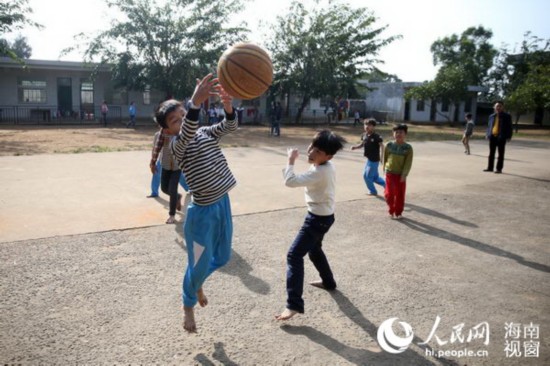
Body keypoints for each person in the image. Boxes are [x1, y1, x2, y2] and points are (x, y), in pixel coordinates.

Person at [166, 74, 238, 333]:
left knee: (222, 257)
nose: (182, 121)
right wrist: (195, 102)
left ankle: (196, 282)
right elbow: (185, 133)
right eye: (175, 120)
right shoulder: (177, 145)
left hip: (222, 205)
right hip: (201, 217)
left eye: (183, 114)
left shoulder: (206, 133)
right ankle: (188, 304)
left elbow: (229, 127)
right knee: (197, 264)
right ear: (168, 130)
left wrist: (228, 107)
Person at [276, 130, 347, 321]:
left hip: (316, 220)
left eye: (318, 151)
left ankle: (293, 305)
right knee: (314, 250)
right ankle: (329, 282)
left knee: (294, 255)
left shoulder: (320, 171)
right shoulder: (327, 166)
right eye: (312, 147)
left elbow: (290, 182)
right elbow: (307, 174)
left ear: (328, 156)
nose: (311, 152)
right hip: (325, 216)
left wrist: (290, 160)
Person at [150, 118, 184, 225]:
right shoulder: (161, 135)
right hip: (165, 165)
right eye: (162, 127)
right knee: (164, 188)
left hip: (177, 167)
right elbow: (156, 149)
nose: (163, 130)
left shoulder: (179, 134)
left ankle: (172, 215)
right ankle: (177, 197)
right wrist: (153, 162)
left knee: (172, 189)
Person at [383, 124, 413, 220]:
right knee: (389, 194)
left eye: (401, 132)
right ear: (393, 134)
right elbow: (385, 158)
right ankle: (391, 210)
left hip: (401, 175)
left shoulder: (408, 148)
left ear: (405, 134)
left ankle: (398, 212)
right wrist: (384, 169)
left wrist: (404, 174)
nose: (398, 134)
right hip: (390, 173)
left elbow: (408, 162)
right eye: (396, 132)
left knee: (400, 194)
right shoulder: (389, 145)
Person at [148, 130, 189, 198]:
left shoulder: (176, 134)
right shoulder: (157, 135)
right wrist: (152, 162)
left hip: (175, 161)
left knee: (180, 177)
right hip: (162, 160)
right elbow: (155, 148)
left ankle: (189, 189)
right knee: (156, 174)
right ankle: (154, 192)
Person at [351, 119, 385, 195]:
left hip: (374, 160)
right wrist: (356, 147)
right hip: (369, 159)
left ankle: (373, 191)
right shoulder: (364, 135)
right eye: (365, 125)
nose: (367, 126)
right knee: (375, 178)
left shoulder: (376, 137)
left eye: (369, 125)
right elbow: (363, 144)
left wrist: (382, 157)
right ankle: (388, 186)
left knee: (366, 176)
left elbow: (382, 146)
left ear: (373, 127)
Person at [484, 101, 512, 174]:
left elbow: (509, 127)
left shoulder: (507, 116)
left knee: (501, 154)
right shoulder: (491, 116)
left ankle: (499, 169)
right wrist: (487, 134)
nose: (498, 107)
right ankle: (490, 168)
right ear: (494, 107)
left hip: (501, 137)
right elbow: (489, 126)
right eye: (497, 106)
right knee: (491, 153)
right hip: (492, 136)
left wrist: (509, 136)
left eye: (500, 106)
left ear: (503, 107)